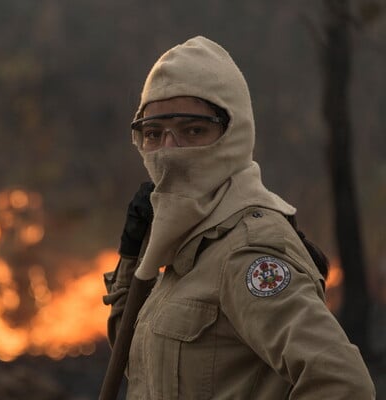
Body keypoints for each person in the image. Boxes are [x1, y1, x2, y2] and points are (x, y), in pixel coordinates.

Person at [102, 36, 375, 399]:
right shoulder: (183, 248)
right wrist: (131, 255)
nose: (168, 151)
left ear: (233, 134)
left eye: (193, 130)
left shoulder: (246, 250)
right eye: (153, 134)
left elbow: (343, 384)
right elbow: (142, 367)